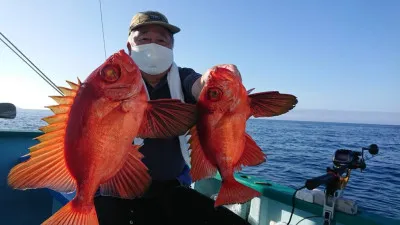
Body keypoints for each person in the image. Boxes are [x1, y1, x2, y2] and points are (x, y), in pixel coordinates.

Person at [94, 11, 249, 225]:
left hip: (169, 188)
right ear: (129, 46)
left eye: (161, 40)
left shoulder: (184, 76)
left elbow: (199, 86)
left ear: (171, 47)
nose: (153, 45)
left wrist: (215, 80)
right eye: (144, 39)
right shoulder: (110, 81)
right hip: (114, 187)